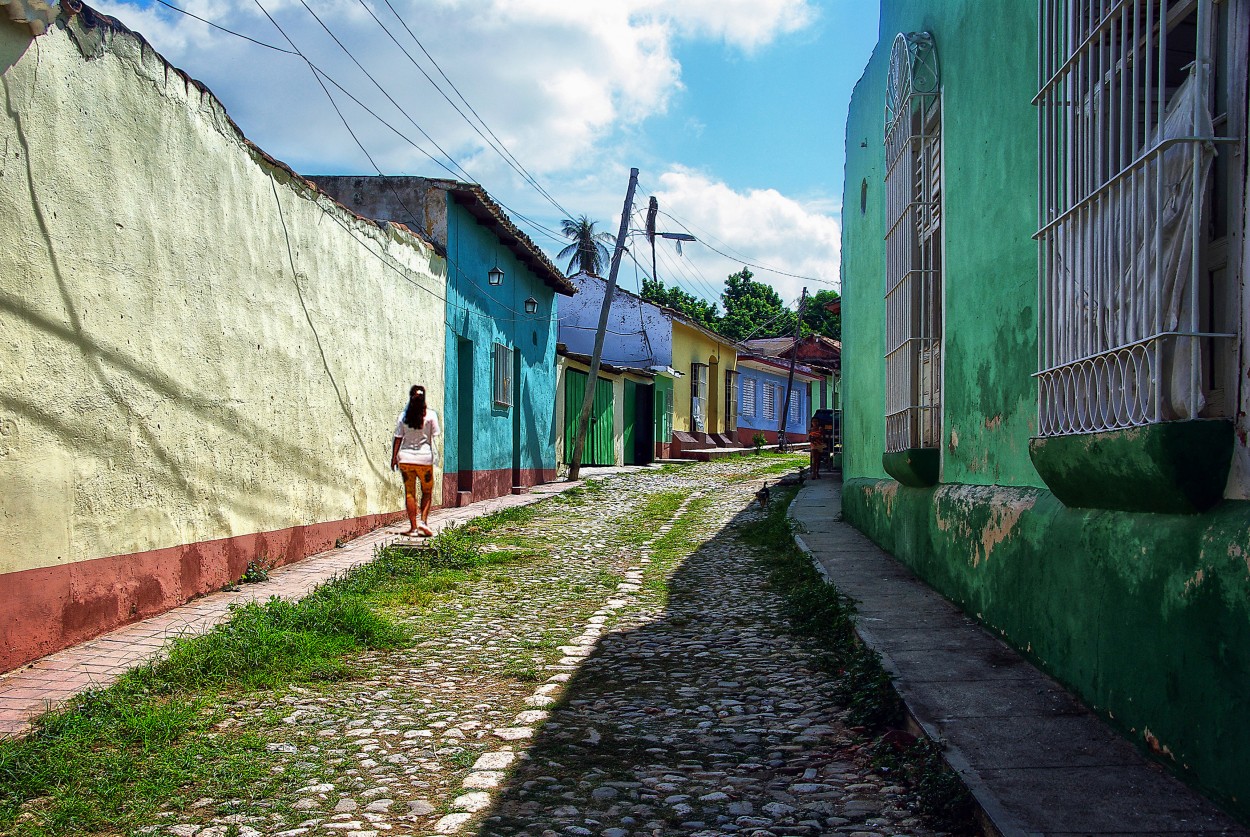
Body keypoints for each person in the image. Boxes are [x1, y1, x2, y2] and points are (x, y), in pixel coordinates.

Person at [391, 385, 440, 536]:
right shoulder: (431, 415)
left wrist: (394, 458)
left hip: (405, 459)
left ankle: (413, 527)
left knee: (410, 493)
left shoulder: (403, 416)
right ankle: (423, 523)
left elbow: (398, 438)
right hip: (424, 460)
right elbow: (435, 436)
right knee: (427, 491)